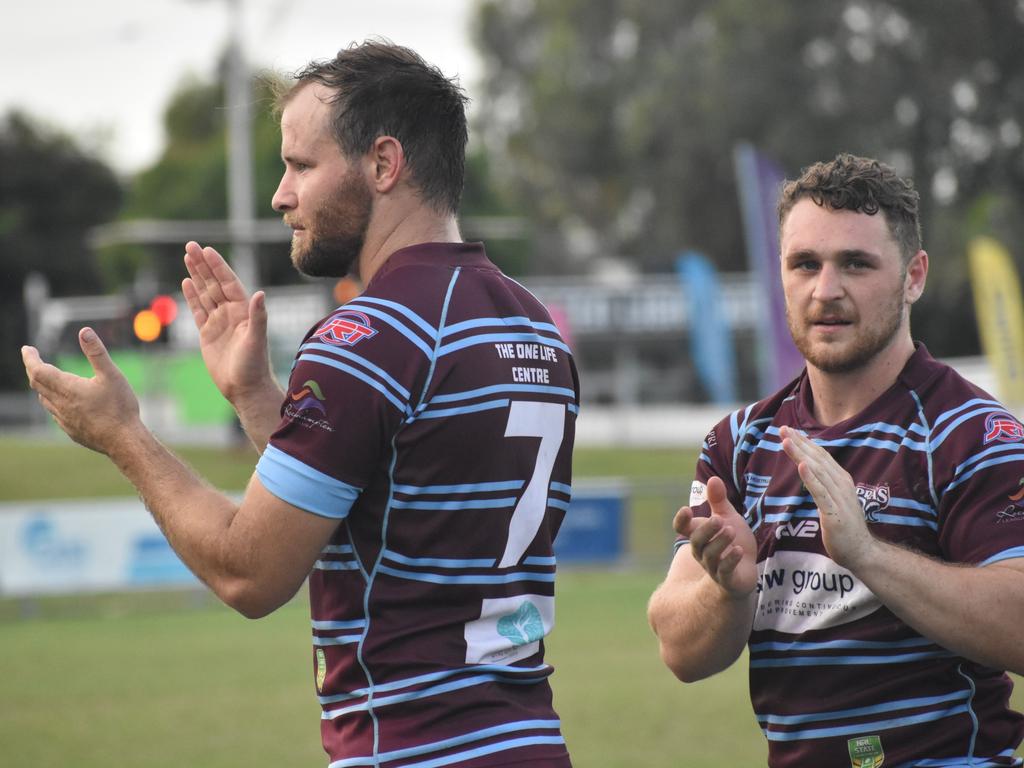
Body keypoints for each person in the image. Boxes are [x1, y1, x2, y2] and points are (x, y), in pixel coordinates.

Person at [22, 41, 578, 767]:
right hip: (529, 740)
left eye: (301, 166)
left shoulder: (369, 334)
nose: (282, 195)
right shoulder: (533, 324)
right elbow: (371, 502)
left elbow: (248, 572)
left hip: (414, 747)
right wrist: (256, 396)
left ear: (383, 164)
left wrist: (124, 435)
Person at [648, 153, 1024, 767]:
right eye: (805, 264)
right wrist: (731, 593)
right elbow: (679, 650)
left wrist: (867, 554)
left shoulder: (972, 434)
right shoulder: (740, 443)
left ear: (914, 276)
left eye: (855, 263)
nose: (826, 290)